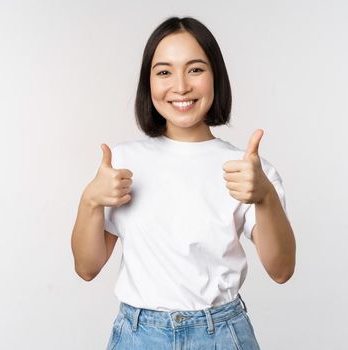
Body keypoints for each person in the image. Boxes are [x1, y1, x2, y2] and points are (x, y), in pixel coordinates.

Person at [70, 16, 296, 350]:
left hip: (221, 334)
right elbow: (86, 268)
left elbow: (282, 270)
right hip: (138, 336)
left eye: (195, 69)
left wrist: (265, 197)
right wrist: (90, 201)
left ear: (215, 76)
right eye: (164, 71)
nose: (180, 86)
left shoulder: (248, 170)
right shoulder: (123, 163)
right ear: (148, 83)